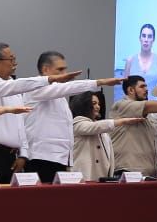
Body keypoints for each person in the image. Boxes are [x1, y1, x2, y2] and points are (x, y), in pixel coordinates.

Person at [0, 42, 86, 183]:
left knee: (8, 195)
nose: (15, 63)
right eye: (11, 59)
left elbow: (20, 123)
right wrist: (51, 79)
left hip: (11, 155)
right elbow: (12, 86)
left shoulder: (14, 87)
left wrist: (23, 153)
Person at [23, 51, 121, 183]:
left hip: (59, 158)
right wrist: (99, 82)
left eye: (65, 69)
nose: (65, 73)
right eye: (60, 70)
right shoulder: (36, 87)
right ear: (45, 70)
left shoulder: (59, 96)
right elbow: (67, 88)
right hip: (41, 157)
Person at [70, 91, 142, 181]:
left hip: (102, 177)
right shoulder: (77, 123)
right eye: (94, 103)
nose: (98, 107)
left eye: (98, 104)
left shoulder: (101, 127)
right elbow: (94, 127)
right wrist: (122, 121)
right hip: (84, 177)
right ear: (83, 105)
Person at [122, 23, 157, 91]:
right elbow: (125, 89)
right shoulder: (130, 60)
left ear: (153, 39)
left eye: (149, 36)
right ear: (139, 38)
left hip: (154, 98)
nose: (146, 40)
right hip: (135, 98)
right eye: (143, 36)